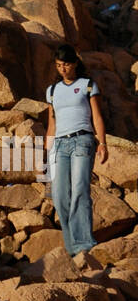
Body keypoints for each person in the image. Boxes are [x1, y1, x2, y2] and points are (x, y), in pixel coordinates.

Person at [44, 44, 108, 270]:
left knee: (80, 188)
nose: (63, 69)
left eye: (67, 65)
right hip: (60, 144)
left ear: (75, 64)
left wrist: (102, 143)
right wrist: (47, 153)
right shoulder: (51, 91)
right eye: (59, 65)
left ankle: (84, 243)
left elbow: (97, 116)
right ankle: (72, 245)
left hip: (83, 139)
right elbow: (52, 123)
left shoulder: (87, 85)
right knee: (60, 194)